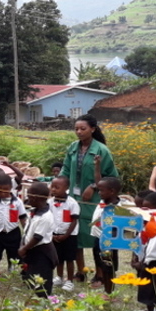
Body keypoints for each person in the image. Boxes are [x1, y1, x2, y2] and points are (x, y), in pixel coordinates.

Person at [60, 114, 118, 285]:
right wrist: (60, 187)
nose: (79, 132)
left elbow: (112, 177)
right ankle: (80, 271)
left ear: (92, 129)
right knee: (75, 234)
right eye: (76, 129)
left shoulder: (101, 150)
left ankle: (100, 274)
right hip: (74, 198)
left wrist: (93, 186)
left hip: (93, 200)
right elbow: (65, 168)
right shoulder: (72, 147)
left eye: (82, 129)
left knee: (94, 236)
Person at [0, 175, 28, 289]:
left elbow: (23, 218)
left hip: (13, 233)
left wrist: (27, 234)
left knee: (18, 257)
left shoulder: (17, 202)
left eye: (5, 189)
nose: (2, 193)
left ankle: (27, 277)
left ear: (10, 188)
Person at [19, 182, 58, 298]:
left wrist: (24, 248)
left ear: (35, 197)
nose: (27, 198)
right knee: (31, 277)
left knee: (42, 280)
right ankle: (33, 300)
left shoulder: (45, 216)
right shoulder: (34, 211)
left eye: (29, 195)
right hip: (32, 250)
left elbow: (37, 237)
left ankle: (43, 303)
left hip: (42, 252)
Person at [49, 176, 80, 292]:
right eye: (52, 187)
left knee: (69, 258)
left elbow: (74, 221)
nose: (53, 189)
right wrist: (52, 234)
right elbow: (49, 219)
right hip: (55, 234)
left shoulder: (72, 203)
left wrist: (66, 235)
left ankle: (70, 280)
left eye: (57, 187)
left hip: (69, 236)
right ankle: (60, 277)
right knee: (58, 258)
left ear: (66, 188)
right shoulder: (50, 202)